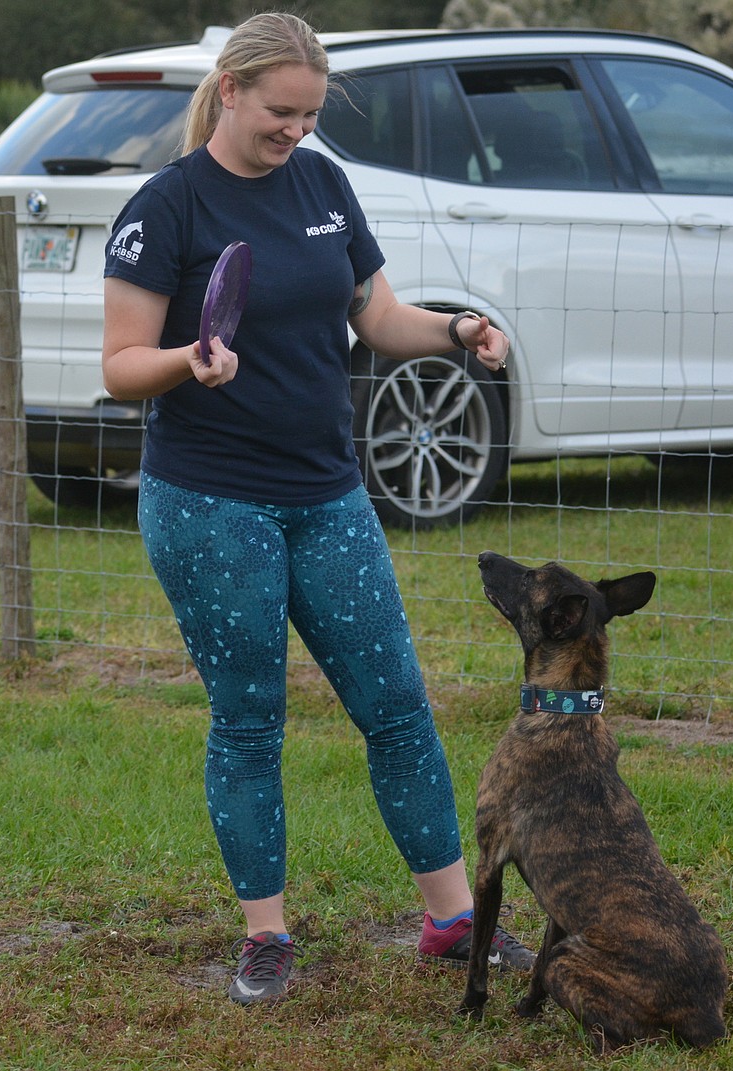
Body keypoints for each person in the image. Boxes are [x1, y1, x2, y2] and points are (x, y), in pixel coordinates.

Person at [102, 11, 533, 1006]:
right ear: (231, 94)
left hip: (327, 496)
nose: (296, 131)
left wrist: (456, 327)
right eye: (279, 114)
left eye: (308, 114)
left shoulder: (324, 185)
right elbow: (122, 367)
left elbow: (376, 316)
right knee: (250, 721)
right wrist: (187, 361)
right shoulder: (165, 207)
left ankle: (452, 919)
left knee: (397, 709)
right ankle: (266, 936)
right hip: (210, 504)